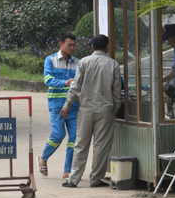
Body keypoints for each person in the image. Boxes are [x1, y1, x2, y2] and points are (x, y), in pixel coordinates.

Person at [60, 34, 122, 188]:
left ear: (93, 47)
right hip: (106, 110)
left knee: (81, 144)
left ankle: (73, 179)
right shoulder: (113, 64)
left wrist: (67, 105)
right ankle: (95, 179)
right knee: (101, 145)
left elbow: (75, 86)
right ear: (107, 47)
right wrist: (116, 108)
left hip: (86, 108)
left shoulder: (84, 62)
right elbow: (116, 90)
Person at [38, 32, 80, 179]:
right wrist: (64, 83)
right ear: (61, 44)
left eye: (74, 45)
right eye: (70, 45)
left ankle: (68, 170)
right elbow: (48, 79)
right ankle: (43, 157)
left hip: (73, 106)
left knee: (74, 138)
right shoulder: (50, 60)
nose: (72, 48)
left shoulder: (78, 63)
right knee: (58, 134)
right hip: (56, 104)